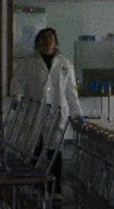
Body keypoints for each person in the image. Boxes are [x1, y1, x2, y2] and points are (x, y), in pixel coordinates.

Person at [10, 27, 84, 198]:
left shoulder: (65, 64)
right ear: (37, 43)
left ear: (56, 42)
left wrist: (76, 113)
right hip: (34, 112)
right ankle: (32, 187)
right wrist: (17, 97)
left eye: (50, 38)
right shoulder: (28, 63)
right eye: (43, 39)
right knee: (33, 150)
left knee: (55, 152)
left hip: (56, 113)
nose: (47, 41)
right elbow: (18, 83)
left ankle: (55, 188)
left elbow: (71, 92)